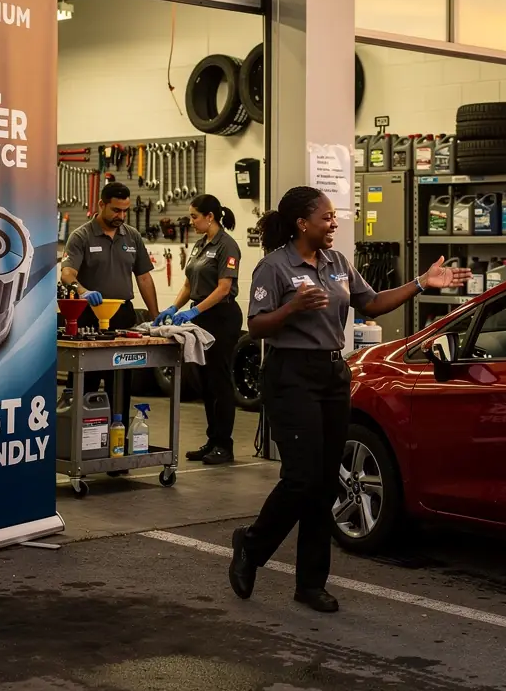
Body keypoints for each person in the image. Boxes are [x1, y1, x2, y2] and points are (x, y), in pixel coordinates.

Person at [228, 186, 471, 613]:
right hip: (290, 375)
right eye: (327, 217)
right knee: (301, 477)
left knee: (325, 480)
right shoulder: (274, 267)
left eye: (334, 217)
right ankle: (251, 544)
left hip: (332, 373)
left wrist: (421, 283)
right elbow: (258, 326)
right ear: (303, 223)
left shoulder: (337, 263)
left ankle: (310, 583)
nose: (334, 224)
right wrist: (293, 309)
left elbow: (372, 304)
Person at [61, 181, 158, 431]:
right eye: (116, 210)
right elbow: (67, 273)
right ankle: (83, 444)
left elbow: (144, 277)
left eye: (125, 211)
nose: (121, 216)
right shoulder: (81, 236)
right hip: (89, 318)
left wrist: (156, 317)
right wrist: (82, 291)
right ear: (101, 204)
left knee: (120, 384)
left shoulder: (132, 236)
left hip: (122, 317)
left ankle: (117, 445)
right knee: (86, 383)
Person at [154, 194, 243, 466]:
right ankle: (212, 439)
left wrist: (195, 310)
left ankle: (224, 445)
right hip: (202, 315)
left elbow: (224, 288)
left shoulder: (227, 245)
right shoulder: (200, 246)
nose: (191, 221)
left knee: (220, 381)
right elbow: (189, 284)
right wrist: (174, 307)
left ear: (210, 217)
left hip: (222, 317)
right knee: (204, 382)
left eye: (194, 216)